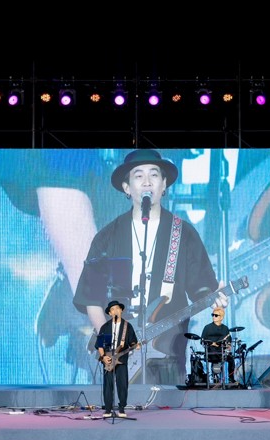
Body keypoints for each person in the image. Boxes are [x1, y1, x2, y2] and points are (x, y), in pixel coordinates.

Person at [74, 149, 228, 385]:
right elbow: (91, 298)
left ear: (164, 184)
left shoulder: (183, 234)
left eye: (154, 175)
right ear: (127, 187)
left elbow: (202, 287)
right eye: (138, 176)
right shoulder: (107, 237)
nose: (147, 181)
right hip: (119, 357)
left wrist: (214, 297)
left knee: (168, 405)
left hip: (168, 355)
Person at [96, 300, 139, 417]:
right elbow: (100, 345)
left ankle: (121, 408)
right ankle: (108, 409)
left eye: (117, 308)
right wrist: (103, 357)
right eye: (112, 309)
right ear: (110, 313)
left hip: (122, 359)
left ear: (121, 310)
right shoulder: (105, 327)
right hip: (108, 359)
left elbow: (132, 341)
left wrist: (136, 345)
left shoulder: (127, 326)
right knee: (108, 385)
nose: (115, 311)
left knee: (122, 384)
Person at [200, 307, 236, 385]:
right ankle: (211, 378)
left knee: (231, 359)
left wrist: (228, 346)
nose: (214, 317)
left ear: (221, 317)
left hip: (222, 352)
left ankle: (231, 378)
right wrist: (214, 344)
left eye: (216, 315)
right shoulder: (207, 327)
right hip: (211, 352)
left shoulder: (225, 328)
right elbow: (202, 341)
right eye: (212, 315)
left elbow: (228, 341)